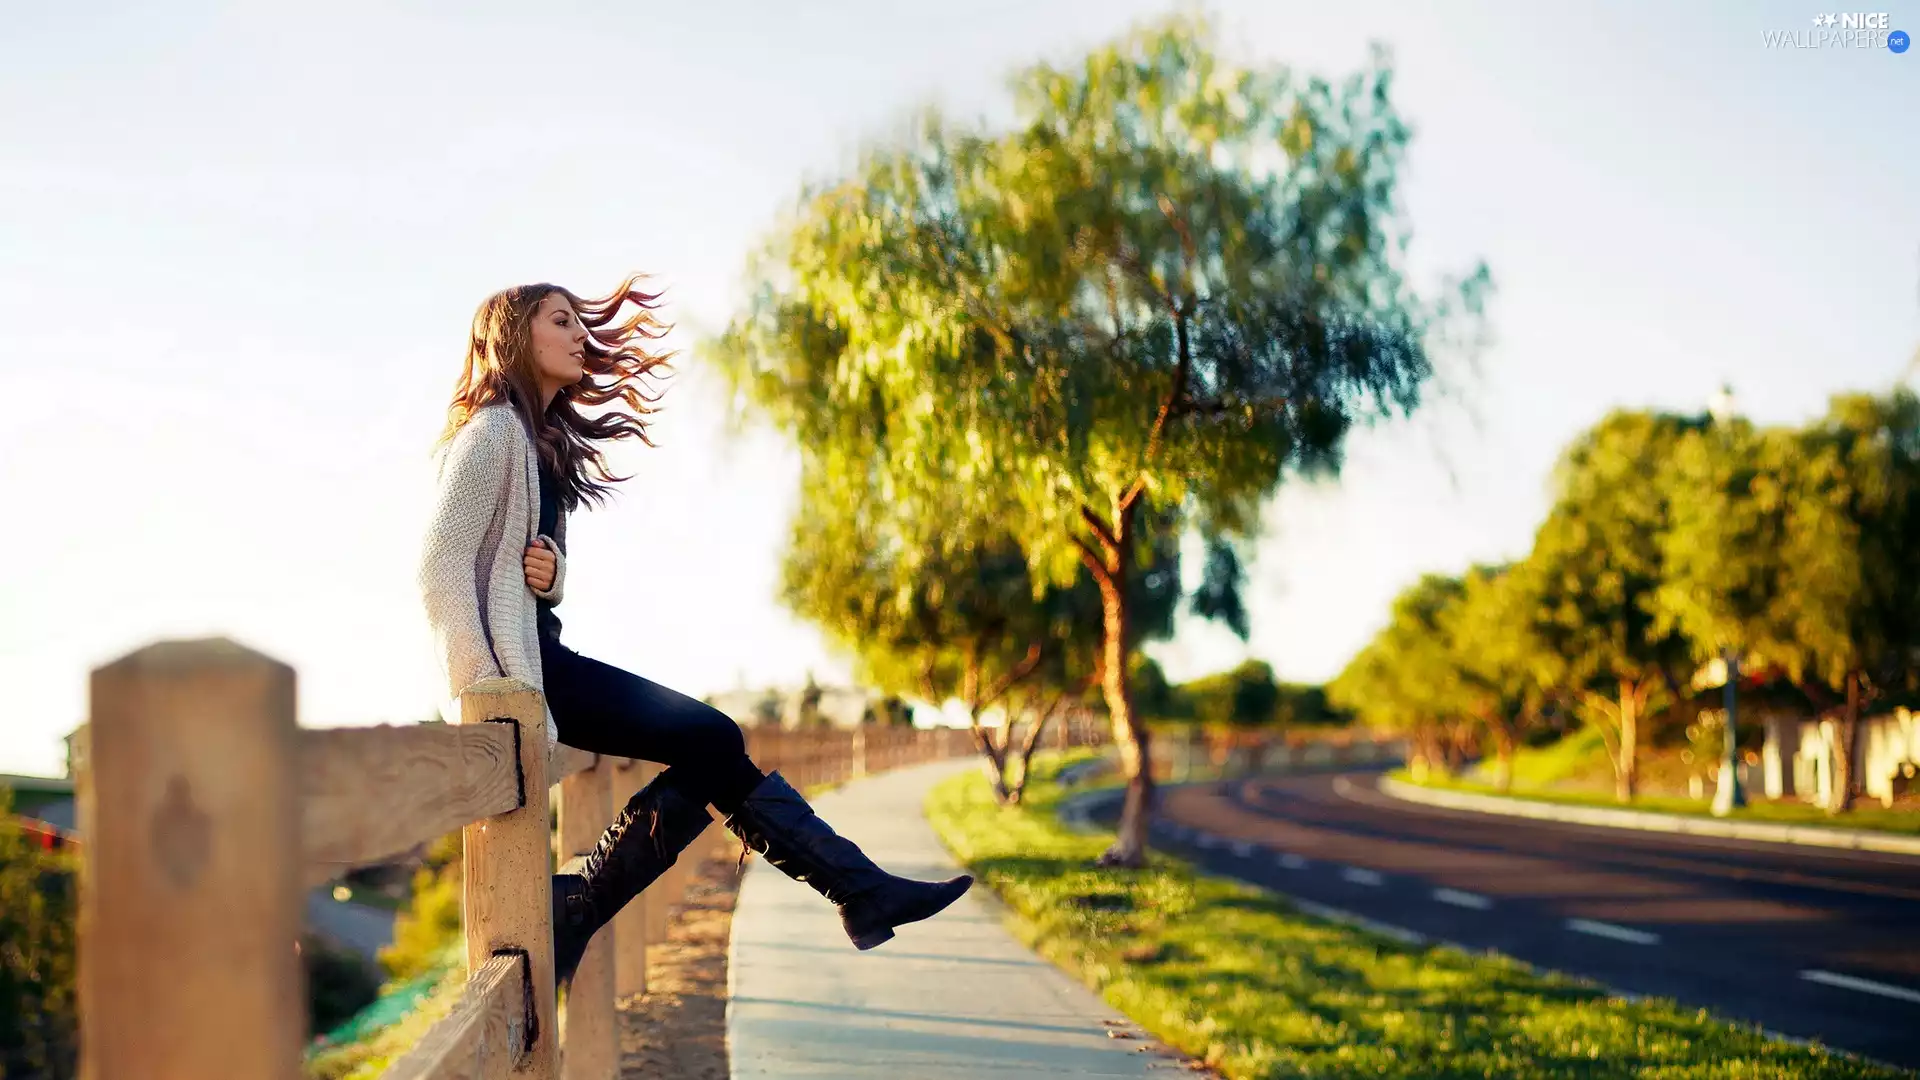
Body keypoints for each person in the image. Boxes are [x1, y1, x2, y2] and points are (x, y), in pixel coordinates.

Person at [416, 277, 971, 985]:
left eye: (580, 322)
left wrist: (551, 575)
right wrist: (485, 696)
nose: (581, 334)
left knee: (712, 744)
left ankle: (851, 893)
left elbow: (517, 574)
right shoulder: (493, 429)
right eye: (562, 321)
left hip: (539, 659)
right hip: (523, 680)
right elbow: (440, 566)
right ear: (514, 336)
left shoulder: (533, 439)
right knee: (712, 739)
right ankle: (852, 892)